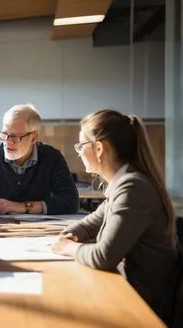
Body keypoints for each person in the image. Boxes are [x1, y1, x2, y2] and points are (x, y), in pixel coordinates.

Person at [51, 109, 177, 314]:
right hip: (126, 290)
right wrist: (72, 233)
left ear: (99, 148)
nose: (79, 151)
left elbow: (103, 257)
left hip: (141, 304)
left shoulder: (133, 188)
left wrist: (67, 247)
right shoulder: (123, 184)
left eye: (81, 145)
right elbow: (89, 223)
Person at [0, 104, 79, 215]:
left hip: (39, 230)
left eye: (15, 136)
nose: (8, 141)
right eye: (5, 134)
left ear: (34, 138)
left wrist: (23, 207)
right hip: (0, 228)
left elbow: (71, 201)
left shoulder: (52, 157)